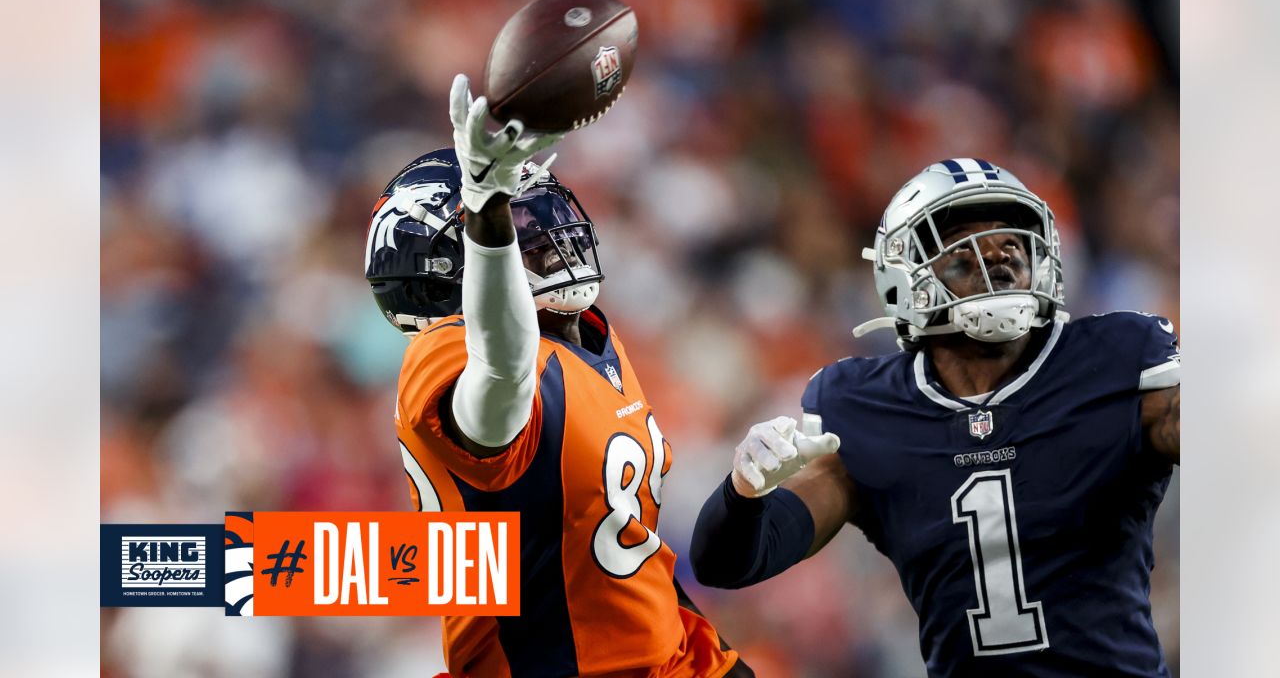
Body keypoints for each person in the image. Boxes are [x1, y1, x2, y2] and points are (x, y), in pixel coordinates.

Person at [690, 159, 1180, 677]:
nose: (998, 257)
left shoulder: (1112, 358)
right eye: (966, 247)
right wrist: (742, 493)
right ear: (906, 275)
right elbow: (726, 563)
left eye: (1011, 242)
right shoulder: (865, 407)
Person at [364, 74, 749, 678]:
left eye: (533, 215)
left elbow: (608, 542)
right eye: (518, 227)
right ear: (453, 266)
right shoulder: (446, 350)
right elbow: (502, 368)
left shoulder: (586, 334)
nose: (545, 237)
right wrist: (485, 212)